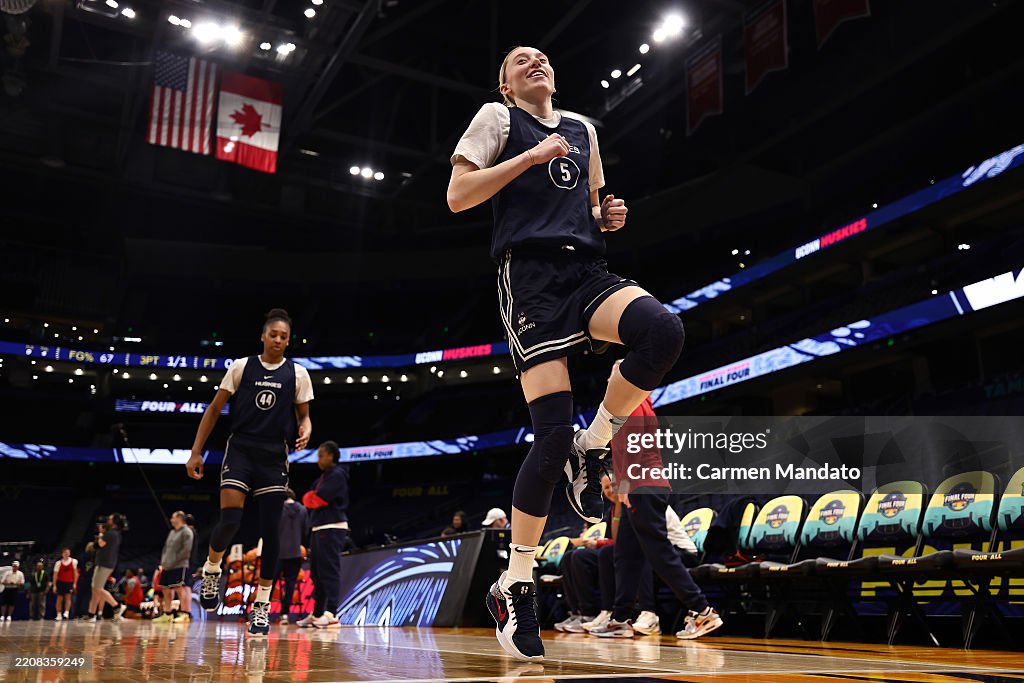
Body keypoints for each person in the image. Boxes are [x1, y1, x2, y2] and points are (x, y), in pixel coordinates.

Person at [448, 46, 685, 661]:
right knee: (549, 437)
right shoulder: (497, 120)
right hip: (527, 279)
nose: (536, 61)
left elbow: (591, 211)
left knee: (662, 332)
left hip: (585, 272)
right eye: (520, 60)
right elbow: (458, 195)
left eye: (543, 57)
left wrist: (607, 217)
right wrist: (528, 156)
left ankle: (599, 436)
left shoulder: (582, 129)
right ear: (505, 85)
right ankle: (517, 579)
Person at [185, 308, 314, 638]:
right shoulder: (242, 366)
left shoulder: (298, 374)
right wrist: (196, 452)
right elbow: (214, 409)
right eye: (274, 335)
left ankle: (262, 605)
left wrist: (305, 428)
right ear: (263, 336)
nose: (278, 341)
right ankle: (213, 568)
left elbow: (305, 415)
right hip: (241, 448)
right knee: (230, 519)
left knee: (272, 532)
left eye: (284, 337)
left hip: (273, 455)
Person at [589, 393, 721, 640]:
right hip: (639, 485)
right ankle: (620, 619)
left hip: (643, 485)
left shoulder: (633, 399)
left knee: (658, 550)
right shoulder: (627, 405)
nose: (609, 383)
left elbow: (636, 442)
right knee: (625, 554)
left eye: (612, 377)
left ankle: (703, 610)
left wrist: (625, 482)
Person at [297, 441, 349, 629]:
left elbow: (316, 499)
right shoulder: (323, 477)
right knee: (317, 574)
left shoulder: (337, 475)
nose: (318, 459)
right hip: (319, 527)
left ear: (331, 456)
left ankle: (332, 613)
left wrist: (312, 497)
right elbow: (307, 499)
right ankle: (318, 613)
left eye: (321, 455)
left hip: (332, 526)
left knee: (329, 570)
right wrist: (311, 497)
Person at [152, 511, 195, 624]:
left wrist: (174, 562)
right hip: (167, 566)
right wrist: (163, 562)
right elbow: (166, 548)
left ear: (180, 518)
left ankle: (184, 614)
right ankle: (167, 613)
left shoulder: (187, 532)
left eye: (173, 517)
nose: (171, 520)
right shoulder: (172, 532)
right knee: (165, 589)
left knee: (179, 588)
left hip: (179, 565)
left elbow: (186, 550)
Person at [85, 513, 127, 621]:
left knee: (98, 588)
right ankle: (91, 614)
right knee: (95, 589)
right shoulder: (115, 533)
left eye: (110, 519)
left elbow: (99, 545)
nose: (107, 520)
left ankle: (116, 606)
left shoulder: (111, 533)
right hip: (105, 563)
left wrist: (100, 534)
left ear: (114, 522)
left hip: (105, 564)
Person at [277, 488, 308, 624]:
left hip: (277, 552)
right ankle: (285, 614)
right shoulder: (302, 510)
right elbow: (306, 531)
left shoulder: (278, 509)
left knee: (269, 584)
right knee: (290, 584)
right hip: (295, 552)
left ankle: (263, 614)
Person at [53, 548, 78, 621]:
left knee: (68, 597)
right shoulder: (58, 563)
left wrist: (74, 583)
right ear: (62, 554)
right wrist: (54, 585)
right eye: (65, 553)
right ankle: (59, 614)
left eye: (67, 553)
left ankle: (66, 613)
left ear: (69, 554)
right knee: (59, 599)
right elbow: (55, 575)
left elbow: (75, 573)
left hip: (69, 582)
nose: (66, 554)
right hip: (60, 582)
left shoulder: (73, 561)